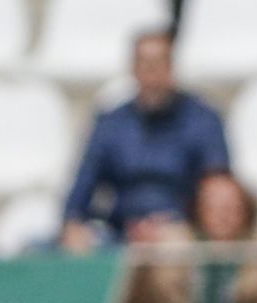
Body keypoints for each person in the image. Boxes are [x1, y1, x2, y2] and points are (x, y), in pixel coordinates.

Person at [62, 30, 229, 255]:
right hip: (120, 231)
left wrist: (179, 226)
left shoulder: (203, 120)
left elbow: (217, 189)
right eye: (145, 64)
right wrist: (73, 224)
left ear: (171, 67)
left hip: (184, 230)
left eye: (158, 64)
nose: (152, 74)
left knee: (174, 248)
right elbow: (83, 186)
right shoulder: (111, 123)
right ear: (133, 69)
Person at [122, 171, 257, 303]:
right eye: (212, 207)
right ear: (198, 209)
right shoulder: (171, 254)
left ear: (246, 212)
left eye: (230, 208)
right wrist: (144, 263)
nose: (222, 216)